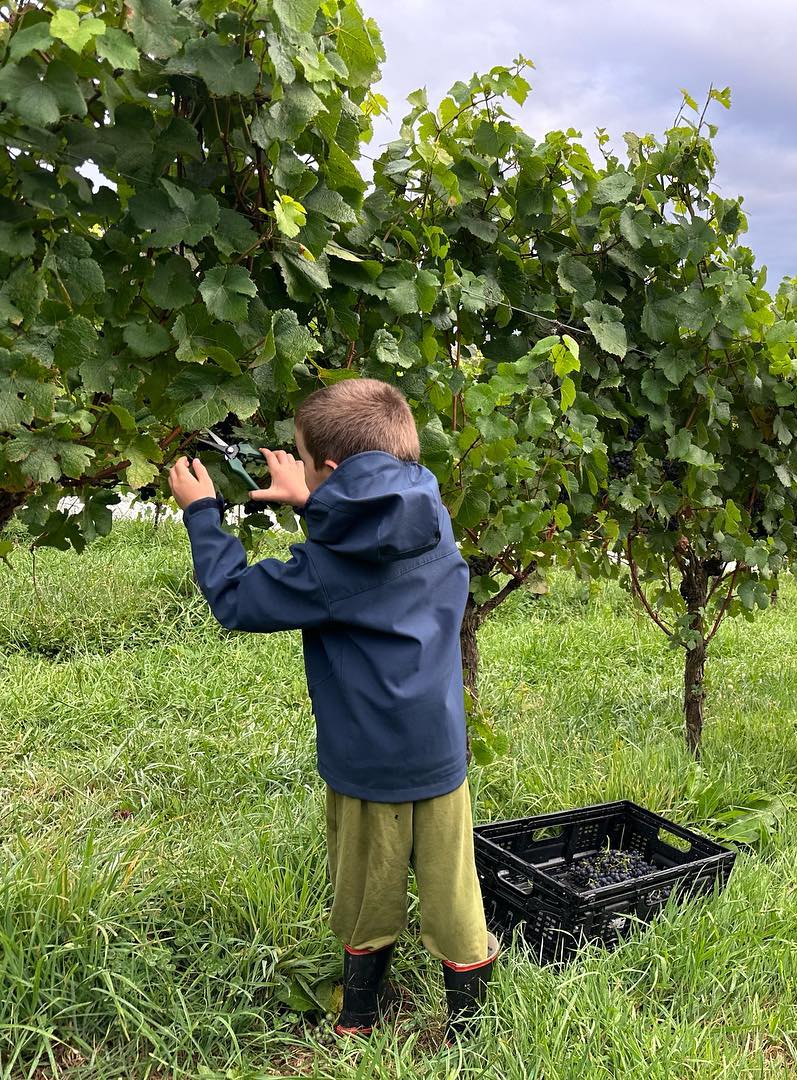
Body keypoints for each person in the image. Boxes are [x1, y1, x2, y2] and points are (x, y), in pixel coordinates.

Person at [167, 379, 497, 1041]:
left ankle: (359, 1019)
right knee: (455, 895)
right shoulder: (433, 516)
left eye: (303, 458)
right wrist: (315, 497)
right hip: (439, 751)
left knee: (364, 895)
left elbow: (234, 598)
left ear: (334, 472)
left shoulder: (325, 568)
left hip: (366, 759)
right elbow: (375, 522)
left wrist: (203, 512)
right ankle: (472, 1029)